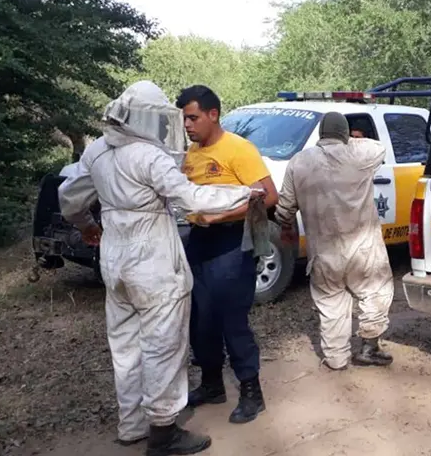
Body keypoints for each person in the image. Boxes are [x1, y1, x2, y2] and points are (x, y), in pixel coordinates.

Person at [58, 80, 260, 456]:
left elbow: (68, 197)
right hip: (153, 261)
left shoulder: (97, 152)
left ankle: (131, 425)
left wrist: (87, 224)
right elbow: (193, 196)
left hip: (114, 260)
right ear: (143, 119)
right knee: (163, 346)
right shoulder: (149, 156)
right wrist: (243, 192)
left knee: (125, 347)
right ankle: (164, 433)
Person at [176, 85, 279, 424]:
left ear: (212, 114)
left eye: (193, 118)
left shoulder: (238, 149)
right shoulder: (192, 153)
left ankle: (252, 391)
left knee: (231, 319)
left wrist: (222, 217)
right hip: (198, 241)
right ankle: (211, 384)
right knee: (200, 318)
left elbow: (269, 196)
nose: (188, 125)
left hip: (232, 244)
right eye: (184, 119)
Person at [275, 112, 395, 371]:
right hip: (363, 248)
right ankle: (369, 347)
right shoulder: (360, 155)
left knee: (331, 304)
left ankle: (336, 358)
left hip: (323, 251)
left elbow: (284, 209)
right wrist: (350, 141)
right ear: (345, 134)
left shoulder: (298, 162)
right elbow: (380, 147)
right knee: (375, 292)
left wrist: (285, 225)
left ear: (320, 134)